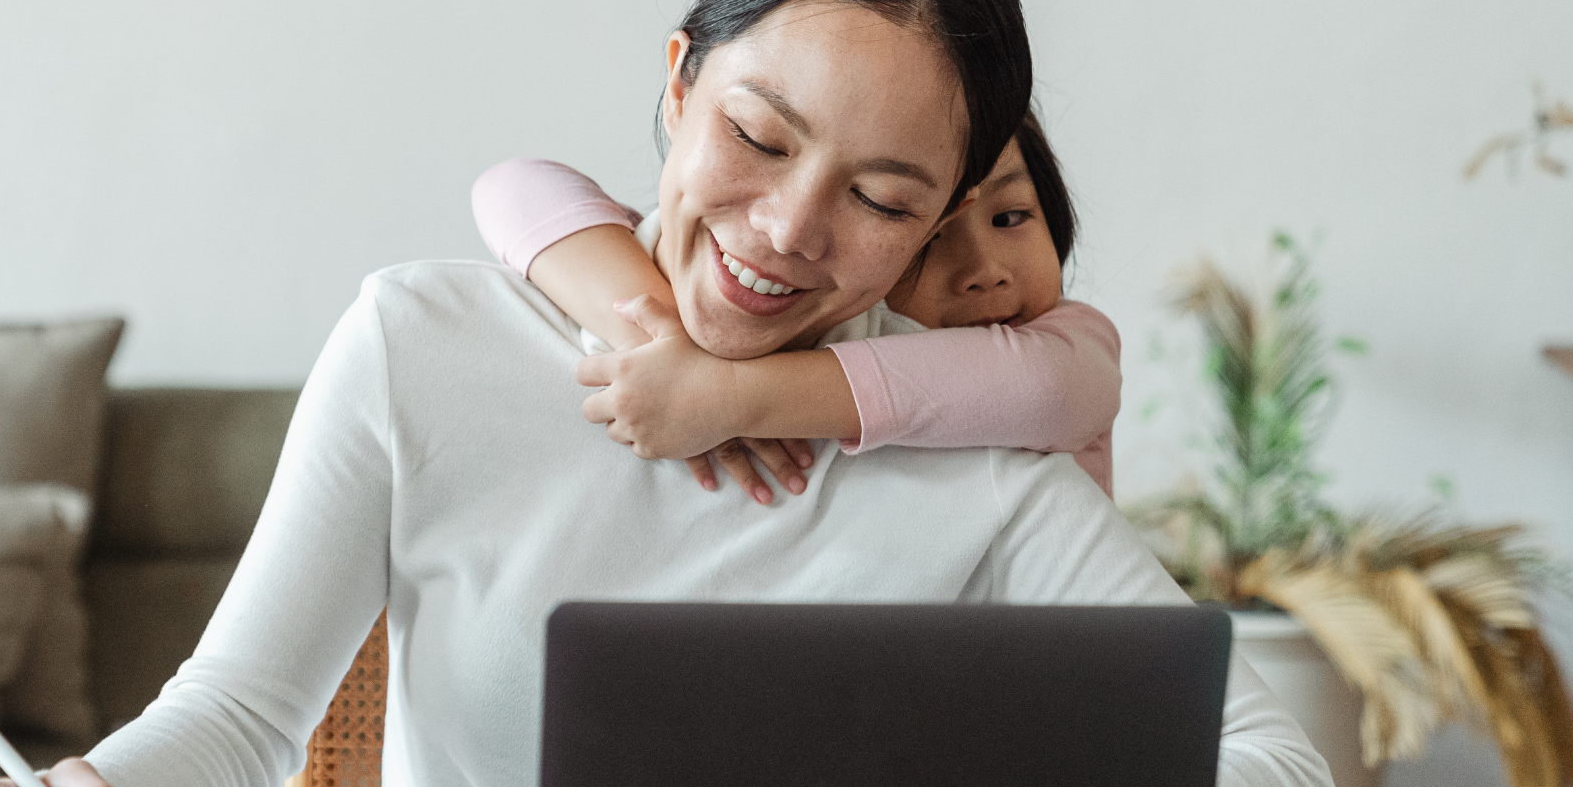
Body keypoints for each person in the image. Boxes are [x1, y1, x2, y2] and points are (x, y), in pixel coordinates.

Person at [0, 0, 1339, 787]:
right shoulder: (424, 346)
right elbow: (236, 725)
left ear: (941, 224)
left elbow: (1286, 781)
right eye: (757, 137)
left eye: (883, 199)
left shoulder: (974, 452)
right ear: (675, 87)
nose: (787, 231)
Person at [470, 111, 1119, 502]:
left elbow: (1045, 388)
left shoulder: (1070, 345)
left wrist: (729, 393)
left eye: (1012, 217)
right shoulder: (811, 318)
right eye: (930, 239)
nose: (985, 272)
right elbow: (515, 187)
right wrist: (662, 345)